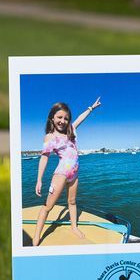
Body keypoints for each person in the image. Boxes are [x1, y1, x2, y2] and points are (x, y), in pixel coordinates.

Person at [31, 97, 101, 246]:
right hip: (61, 174)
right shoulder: (50, 137)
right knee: (47, 206)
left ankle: (74, 227)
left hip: (74, 173)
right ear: (52, 118)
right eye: (59, 117)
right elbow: (44, 158)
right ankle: (36, 237)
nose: (63, 121)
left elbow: (81, 118)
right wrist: (39, 179)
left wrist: (91, 108)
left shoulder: (71, 131)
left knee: (72, 201)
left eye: (66, 118)